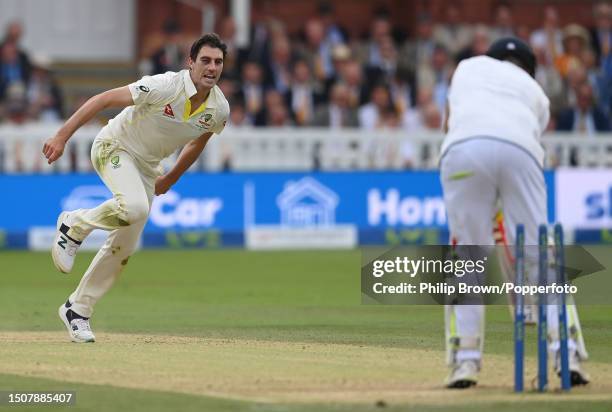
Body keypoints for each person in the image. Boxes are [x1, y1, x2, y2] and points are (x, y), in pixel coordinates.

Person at [42, 33, 230, 343]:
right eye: (206, 61)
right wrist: (62, 136)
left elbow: (199, 141)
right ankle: (73, 224)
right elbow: (101, 100)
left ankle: (77, 310)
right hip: (114, 146)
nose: (212, 68)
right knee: (135, 208)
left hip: (147, 167)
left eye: (218, 62)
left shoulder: (219, 108)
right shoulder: (165, 85)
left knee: (124, 246)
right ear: (191, 63)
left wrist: (171, 178)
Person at [440, 37, 590, 388]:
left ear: (491, 59)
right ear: (528, 68)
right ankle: (565, 351)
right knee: (541, 252)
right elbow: (524, 139)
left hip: (463, 149)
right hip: (519, 150)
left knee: (468, 254)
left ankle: (465, 360)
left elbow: (450, 124)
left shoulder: (467, 68)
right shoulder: (537, 92)